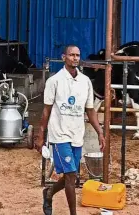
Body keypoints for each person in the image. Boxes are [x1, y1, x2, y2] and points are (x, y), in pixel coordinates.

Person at [36, 45, 104, 215]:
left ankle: (49, 192)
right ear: (64, 57)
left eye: (77, 55)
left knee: (70, 176)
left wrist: (100, 132)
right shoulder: (55, 81)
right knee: (72, 175)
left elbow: (90, 110)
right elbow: (46, 110)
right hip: (59, 134)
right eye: (71, 55)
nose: (75, 58)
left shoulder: (85, 82)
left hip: (77, 134)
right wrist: (40, 135)